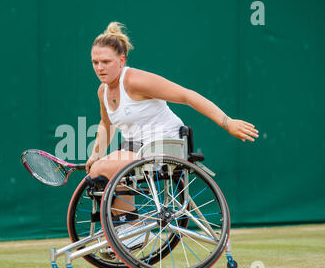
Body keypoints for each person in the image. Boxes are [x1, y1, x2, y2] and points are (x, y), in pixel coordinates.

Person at [85, 22, 258, 247]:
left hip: (166, 145)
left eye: (106, 62)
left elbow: (187, 96)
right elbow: (106, 124)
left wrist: (227, 122)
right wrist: (95, 153)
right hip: (136, 148)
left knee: (105, 168)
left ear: (122, 60)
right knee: (98, 170)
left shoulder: (136, 80)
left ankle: (131, 229)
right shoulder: (103, 91)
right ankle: (124, 227)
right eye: (95, 62)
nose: (100, 68)